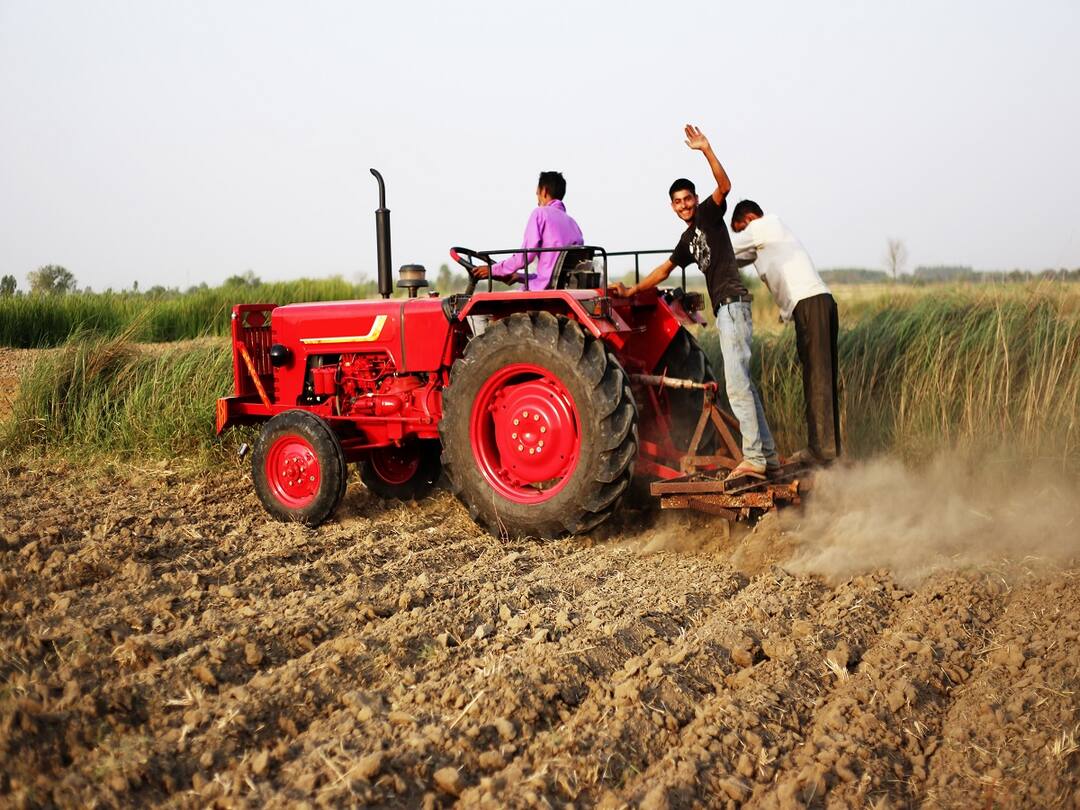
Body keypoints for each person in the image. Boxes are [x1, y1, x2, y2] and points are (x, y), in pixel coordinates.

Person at [610, 125, 778, 480]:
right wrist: (630, 291)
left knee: (736, 384)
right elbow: (664, 269)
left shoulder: (708, 214)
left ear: (695, 198)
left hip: (733, 303)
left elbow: (725, 186)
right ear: (672, 207)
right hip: (725, 308)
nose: (684, 205)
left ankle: (755, 459)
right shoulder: (688, 239)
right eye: (678, 202)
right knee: (743, 381)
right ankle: (768, 456)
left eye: (688, 198)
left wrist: (706, 149)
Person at [730, 200, 841, 465]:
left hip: (811, 304)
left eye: (740, 229)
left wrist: (701, 240)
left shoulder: (766, 224)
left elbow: (728, 248)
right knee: (818, 376)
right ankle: (827, 449)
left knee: (818, 378)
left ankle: (822, 453)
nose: (742, 236)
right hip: (814, 304)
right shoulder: (767, 242)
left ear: (749, 218)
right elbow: (732, 258)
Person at [472, 171, 584, 289]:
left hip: (544, 291)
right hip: (564, 288)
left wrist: (493, 270)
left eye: (537, 194)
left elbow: (524, 257)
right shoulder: (574, 224)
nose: (537, 201)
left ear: (544, 191)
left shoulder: (540, 213)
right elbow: (555, 276)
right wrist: (519, 276)